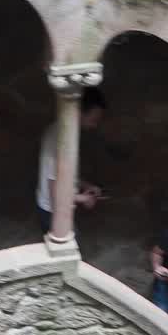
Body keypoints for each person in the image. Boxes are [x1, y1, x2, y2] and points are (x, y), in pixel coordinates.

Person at [36, 87, 106, 234]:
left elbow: (64, 175)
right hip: (53, 211)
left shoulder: (64, 131)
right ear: (79, 111)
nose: (95, 125)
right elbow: (54, 189)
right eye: (93, 120)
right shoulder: (59, 139)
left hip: (56, 207)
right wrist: (82, 198)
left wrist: (86, 185)